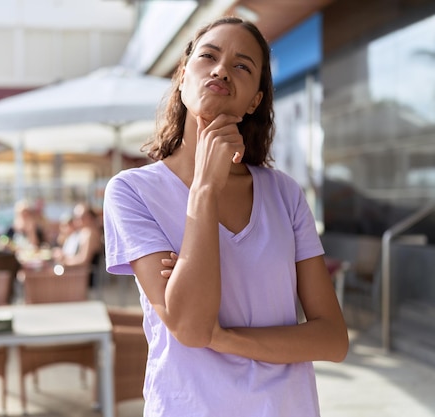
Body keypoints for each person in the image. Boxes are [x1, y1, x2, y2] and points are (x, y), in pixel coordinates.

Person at [102, 16, 348, 417]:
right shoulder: (131, 192)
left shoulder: (284, 193)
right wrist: (204, 189)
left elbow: (333, 339)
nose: (221, 69)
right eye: (209, 56)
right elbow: (191, 326)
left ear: (254, 100)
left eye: (242, 66)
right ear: (182, 78)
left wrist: (225, 338)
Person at [53, 202, 103, 287]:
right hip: (79, 273)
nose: (78, 220)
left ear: (90, 217)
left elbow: (84, 261)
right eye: (76, 217)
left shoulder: (90, 234)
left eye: (81, 217)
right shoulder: (83, 232)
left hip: (84, 276)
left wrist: (65, 262)